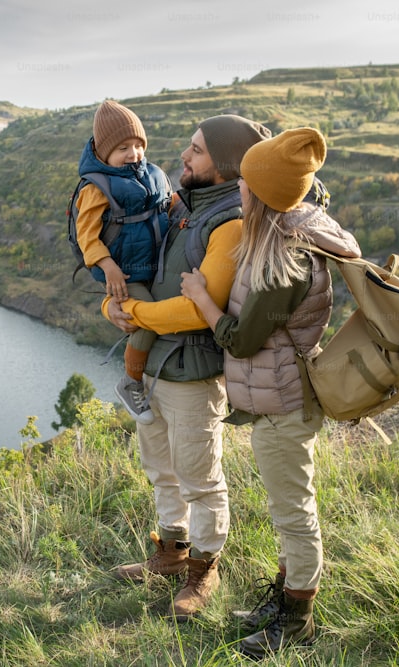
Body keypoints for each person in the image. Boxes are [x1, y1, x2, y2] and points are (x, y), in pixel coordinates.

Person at [179, 127, 361, 657]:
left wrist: (200, 300)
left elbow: (242, 338)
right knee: (288, 509)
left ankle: (296, 618)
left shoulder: (284, 260)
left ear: (261, 194)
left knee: (294, 514)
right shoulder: (284, 235)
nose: (238, 188)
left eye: (246, 183)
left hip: (284, 404)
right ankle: (283, 601)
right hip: (282, 397)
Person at [104, 114, 273, 620]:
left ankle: (204, 568)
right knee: (161, 471)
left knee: (199, 477)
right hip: (154, 365)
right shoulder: (183, 206)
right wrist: (112, 305)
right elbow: (142, 273)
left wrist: (132, 314)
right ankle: (171, 554)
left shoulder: (231, 222)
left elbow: (198, 306)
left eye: (196, 151)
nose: (184, 156)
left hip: (193, 372)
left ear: (223, 166)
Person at [73, 99, 172, 424]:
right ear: (103, 154)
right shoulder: (96, 188)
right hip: (124, 272)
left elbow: (168, 207)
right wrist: (108, 266)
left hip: (153, 266)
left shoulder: (152, 174)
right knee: (147, 321)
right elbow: (87, 235)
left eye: (138, 145)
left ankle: (148, 379)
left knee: (155, 315)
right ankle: (130, 382)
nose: (133, 154)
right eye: (123, 148)